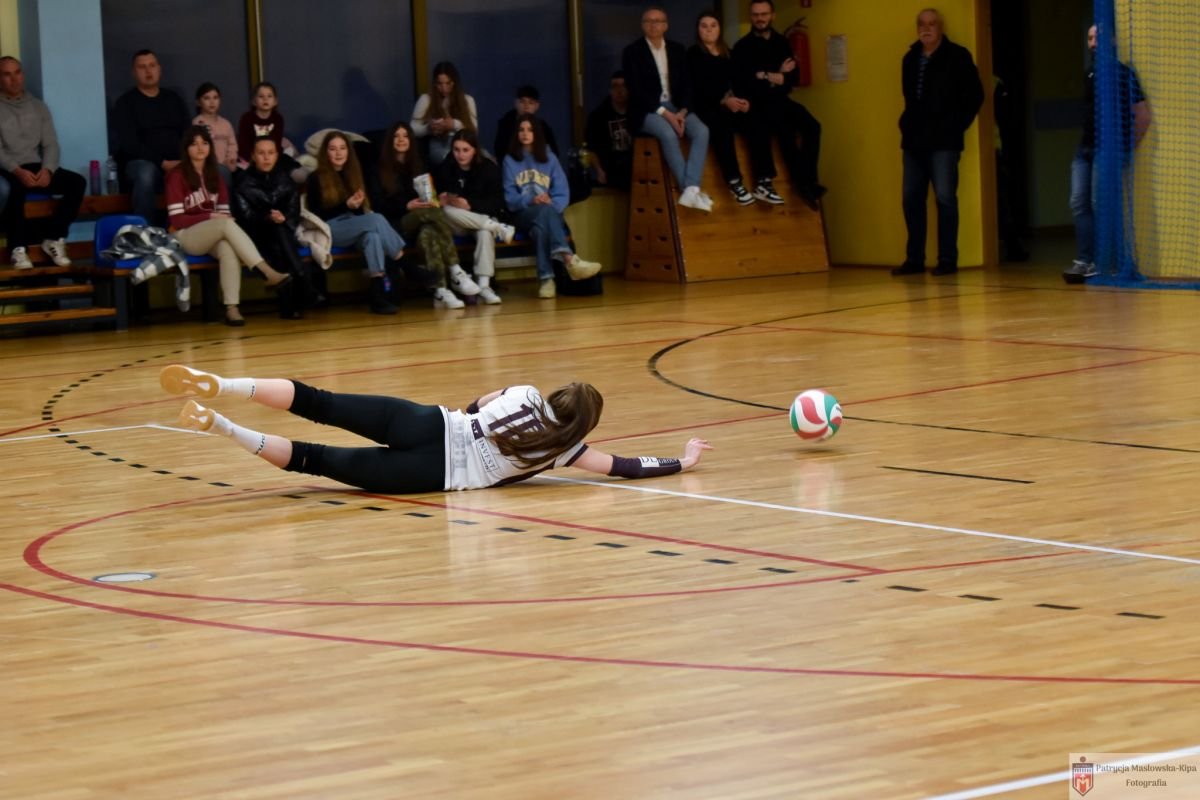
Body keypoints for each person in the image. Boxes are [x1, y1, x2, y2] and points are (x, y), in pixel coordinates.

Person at [159, 362, 713, 494]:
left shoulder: (523, 392)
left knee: (318, 401)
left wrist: (467, 422)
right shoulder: (567, 451)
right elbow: (623, 468)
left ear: (554, 396)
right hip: (432, 473)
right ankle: (221, 425)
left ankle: (223, 384)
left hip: (429, 422)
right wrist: (681, 461)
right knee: (314, 459)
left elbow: (476, 402)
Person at [166, 125, 292, 326]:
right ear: (186, 148)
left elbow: (224, 213)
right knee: (224, 224)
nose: (200, 148)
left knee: (228, 249)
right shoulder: (177, 176)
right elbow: (177, 220)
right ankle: (266, 271)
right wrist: (210, 216)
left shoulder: (215, 175)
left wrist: (216, 218)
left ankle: (232, 308)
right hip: (183, 236)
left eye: (204, 143)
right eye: (194, 144)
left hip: (211, 233)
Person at [892, 8, 984, 277]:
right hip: (913, 140)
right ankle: (914, 259)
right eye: (922, 24)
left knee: (945, 198)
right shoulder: (910, 58)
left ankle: (947, 259)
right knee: (911, 198)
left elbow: (975, 95)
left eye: (932, 24)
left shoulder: (958, 56)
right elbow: (909, 98)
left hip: (944, 140)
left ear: (941, 27)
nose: (926, 28)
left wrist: (956, 125)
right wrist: (906, 124)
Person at [1062, 23, 1150, 284]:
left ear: (1112, 40)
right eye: (1089, 38)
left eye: (1098, 37)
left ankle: (1110, 262)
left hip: (1108, 149)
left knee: (1100, 203)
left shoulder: (1123, 74)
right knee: (1079, 202)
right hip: (1085, 148)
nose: (1093, 43)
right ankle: (1085, 261)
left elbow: (1142, 115)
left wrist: (1127, 147)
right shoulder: (1089, 73)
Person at [368, 120, 477, 309]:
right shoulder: (378, 168)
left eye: (405, 136)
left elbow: (430, 195)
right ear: (389, 141)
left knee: (429, 234)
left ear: (411, 140)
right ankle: (455, 269)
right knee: (428, 212)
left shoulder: (419, 164)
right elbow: (377, 205)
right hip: (394, 225)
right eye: (396, 136)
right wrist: (406, 205)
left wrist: (436, 198)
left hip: (422, 221)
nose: (401, 140)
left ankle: (440, 290)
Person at [731, 0, 824, 208]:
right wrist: (777, 76)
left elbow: (793, 78)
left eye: (764, 14)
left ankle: (808, 179)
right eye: (756, 15)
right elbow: (744, 84)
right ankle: (804, 184)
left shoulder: (782, 43)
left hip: (781, 99)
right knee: (785, 133)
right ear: (750, 17)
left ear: (772, 15)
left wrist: (766, 76)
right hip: (758, 104)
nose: (760, 19)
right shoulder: (742, 47)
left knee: (813, 126)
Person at [305, 130, 406, 315]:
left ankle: (377, 296)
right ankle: (404, 262)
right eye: (333, 149)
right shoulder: (315, 177)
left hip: (354, 225)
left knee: (373, 236)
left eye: (342, 148)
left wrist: (356, 206)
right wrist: (346, 205)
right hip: (329, 229)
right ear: (326, 153)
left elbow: (358, 214)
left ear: (348, 151)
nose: (338, 153)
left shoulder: (354, 173)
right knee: (377, 219)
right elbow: (317, 215)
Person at [622, 6, 712, 212]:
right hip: (647, 110)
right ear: (642, 26)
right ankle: (689, 189)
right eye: (648, 21)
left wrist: (682, 112)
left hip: (677, 106)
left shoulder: (677, 49)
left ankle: (691, 188)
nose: (653, 25)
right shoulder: (632, 52)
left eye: (658, 21)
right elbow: (636, 90)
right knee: (668, 133)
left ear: (666, 26)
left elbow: (688, 84)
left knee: (702, 131)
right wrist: (667, 115)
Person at [0, 55, 85, 269]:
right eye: (7, 74)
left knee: (77, 182)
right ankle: (17, 248)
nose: (14, 79)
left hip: (36, 165)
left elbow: (51, 144)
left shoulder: (39, 107)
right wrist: (16, 170)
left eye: (17, 73)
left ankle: (54, 238)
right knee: (13, 188)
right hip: (8, 167)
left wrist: (48, 169)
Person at [503, 114, 601, 299]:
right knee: (544, 214)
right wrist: (531, 201)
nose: (525, 134)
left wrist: (550, 204)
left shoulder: (550, 158)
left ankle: (546, 280)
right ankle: (569, 259)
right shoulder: (510, 160)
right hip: (523, 214)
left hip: (548, 213)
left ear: (537, 133)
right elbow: (510, 199)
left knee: (541, 229)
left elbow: (563, 193)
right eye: (521, 130)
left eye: (530, 130)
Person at [232, 137, 320, 319]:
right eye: (261, 153)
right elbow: (244, 218)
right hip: (254, 235)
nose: (266, 158)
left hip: (283, 232)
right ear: (253, 156)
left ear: (277, 155)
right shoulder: (242, 182)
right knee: (278, 236)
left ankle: (290, 304)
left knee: (279, 236)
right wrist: (267, 219)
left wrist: (283, 218)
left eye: (271, 153)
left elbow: (294, 211)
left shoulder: (285, 179)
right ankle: (303, 284)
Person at [435, 130, 515, 305]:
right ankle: (497, 227)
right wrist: (441, 199)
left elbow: (498, 202)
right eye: (456, 150)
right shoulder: (446, 167)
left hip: (479, 217)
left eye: (466, 150)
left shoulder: (488, 168)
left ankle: (484, 286)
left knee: (484, 232)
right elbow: (437, 200)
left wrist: (470, 204)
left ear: (475, 150)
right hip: (456, 222)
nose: (460, 155)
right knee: (446, 211)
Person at [113, 50, 190, 224]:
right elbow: (130, 144)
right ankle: (145, 231)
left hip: (178, 161)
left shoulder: (174, 99)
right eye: (142, 67)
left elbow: (188, 133)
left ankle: (200, 228)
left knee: (217, 171)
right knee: (145, 173)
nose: (148, 71)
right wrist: (162, 163)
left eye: (152, 66)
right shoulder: (125, 103)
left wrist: (183, 160)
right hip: (142, 163)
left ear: (159, 69)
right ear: (134, 72)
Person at [688, 13, 754, 205]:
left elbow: (739, 82)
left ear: (720, 29)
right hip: (704, 106)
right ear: (698, 30)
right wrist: (723, 101)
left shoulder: (729, 53)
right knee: (721, 126)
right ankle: (734, 181)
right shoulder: (693, 54)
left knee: (756, 121)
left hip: (729, 103)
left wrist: (744, 101)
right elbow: (697, 88)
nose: (709, 30)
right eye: (704, 26)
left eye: (713, 25)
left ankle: (763, 181)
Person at [411, 62, 478, 166]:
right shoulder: (426, 99)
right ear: (434, 83)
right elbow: (412, 128)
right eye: (439, 84)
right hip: (439, 144)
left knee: (488, 161)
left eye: (448, 83)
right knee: (448, 159)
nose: (444, 88)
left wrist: (454, 124)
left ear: (454, 82)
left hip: (464, 145)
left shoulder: (467, 100)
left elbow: (474, 131)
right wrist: (429, 128)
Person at [585, 71, 633, 190]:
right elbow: (591, 148)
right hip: (611, 170)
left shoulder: (638, 113)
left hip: (636, 169)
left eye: (623, 86)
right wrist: (599, 171)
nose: (620, 91)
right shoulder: (598, 116)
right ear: (610, 90)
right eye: (615, 86)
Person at [493, 85, 561, 161]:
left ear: (537, 106)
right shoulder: (505, 124)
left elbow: (554, 153)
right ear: (516, 103)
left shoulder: (543, 127)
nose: (526, 106)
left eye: (530, 103)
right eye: (522, 102)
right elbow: (500, 152)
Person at [192, 82, 238, 185]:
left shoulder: (226, 124)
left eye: (215, 98)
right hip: (206, 166)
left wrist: (231, 159)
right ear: (198, 102)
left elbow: (232, 144)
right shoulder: (197, 123)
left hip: (226, 165)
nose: (212, 102)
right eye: (207, 98)